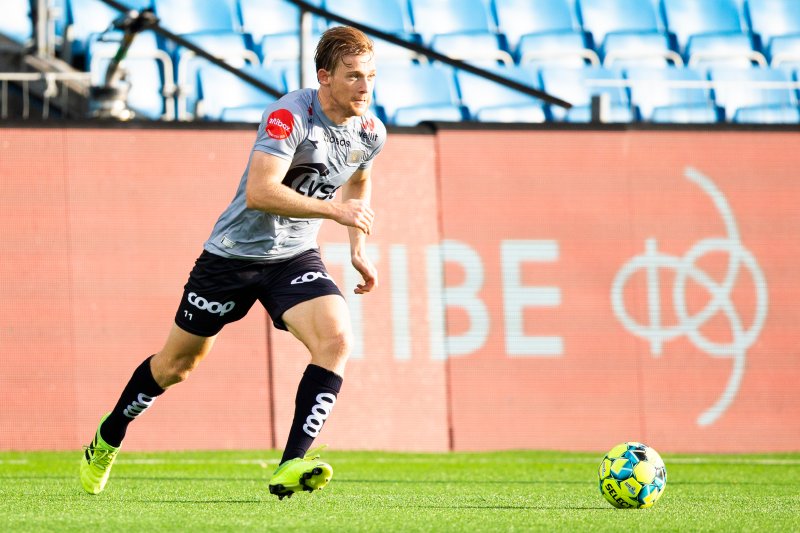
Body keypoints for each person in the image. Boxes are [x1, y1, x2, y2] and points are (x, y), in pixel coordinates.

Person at [80, 26, 386, 500]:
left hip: (292, 257)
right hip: (231, 258)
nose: (365, 88)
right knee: (176, 367)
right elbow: (260, 193)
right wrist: (334, 210)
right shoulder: (289, 116)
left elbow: (358, 183)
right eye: (353, 77)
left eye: (370, 76)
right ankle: (109, 435)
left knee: (337, 339)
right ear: (324, 77)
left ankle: (292, 464)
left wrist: (356, 246)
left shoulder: (370, 131)